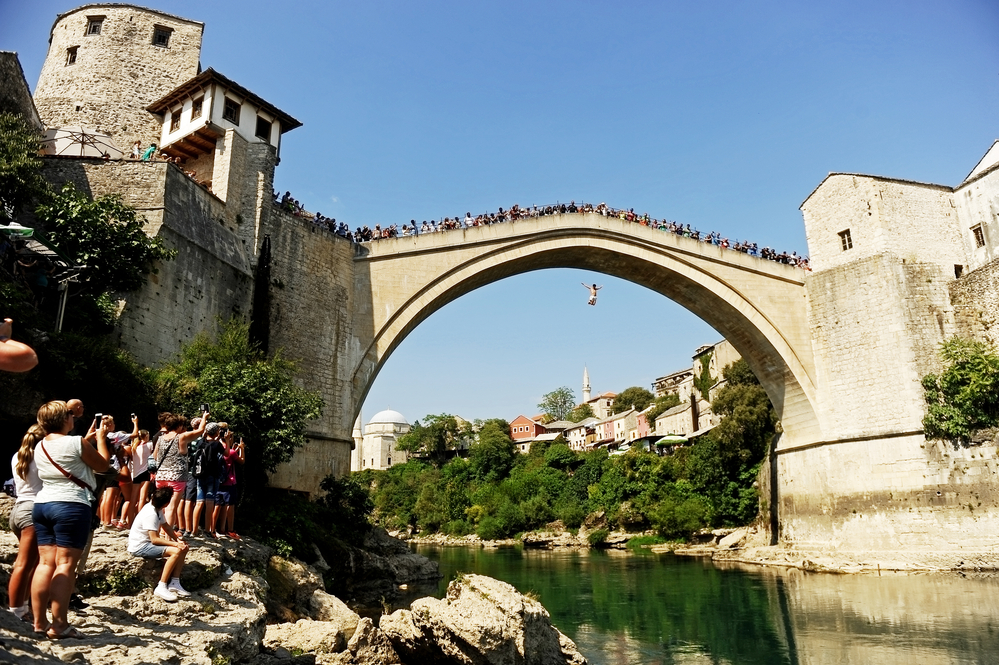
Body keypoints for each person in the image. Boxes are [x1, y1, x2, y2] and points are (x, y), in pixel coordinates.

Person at [30, 402, 111, 639]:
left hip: (43, 503)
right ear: (65, 419)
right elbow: (103, 465)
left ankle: (38, 622)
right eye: (69, 414)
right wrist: (103, 439)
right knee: (65, 565)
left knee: (45, 564)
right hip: (71, 505)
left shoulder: (40, 445)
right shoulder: (76, 442)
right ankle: (60, 625)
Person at [128, 487, 190, 602]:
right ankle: (161, 586)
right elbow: (154, 540)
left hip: (147, 543)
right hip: (139, 547)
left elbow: (166, 526)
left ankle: (175, 582)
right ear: (166, 503)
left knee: (183, 548)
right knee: (176, 551)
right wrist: (175, 545)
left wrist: (178, 540)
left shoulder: (157, 508)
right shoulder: (150, 514)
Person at [8, 421, 43, 620]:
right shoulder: (42, 458)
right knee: (24, 564)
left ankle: (23, 608)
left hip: (19, 508)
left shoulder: (18, 456)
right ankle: (16, 611)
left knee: (30, 563)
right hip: (34, 510)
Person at [154, 411, 208, 530]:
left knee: (161, 506)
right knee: (171, 507)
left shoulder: (160, 438)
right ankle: (167, 536)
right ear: (178, 426)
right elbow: (200, 431)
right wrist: (204, 417)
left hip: (161, 475)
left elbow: (155, 456)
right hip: (177, 476)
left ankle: (159, 531)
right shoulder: (181, 437)